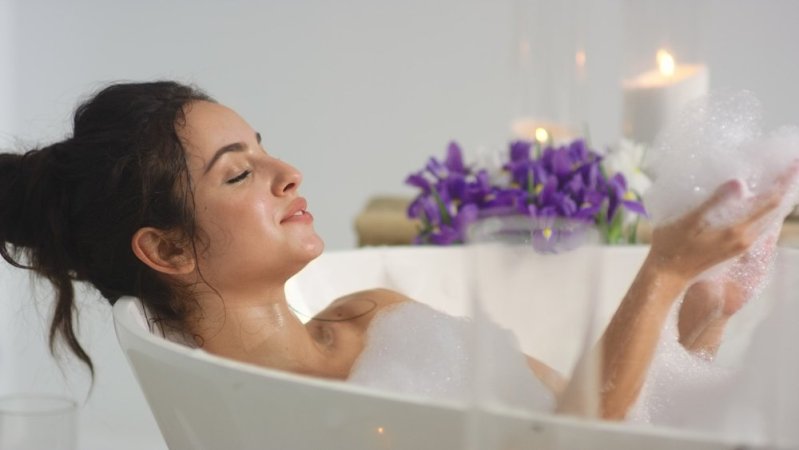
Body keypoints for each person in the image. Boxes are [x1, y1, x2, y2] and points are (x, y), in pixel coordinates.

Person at [0, 81, 794, 420]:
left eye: (263, 149)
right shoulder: (281, 410)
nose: (287, 174)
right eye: (239, 172)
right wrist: (658, 270)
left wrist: (702, 319)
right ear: (167, 250)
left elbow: (591, 423)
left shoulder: (377, 315)